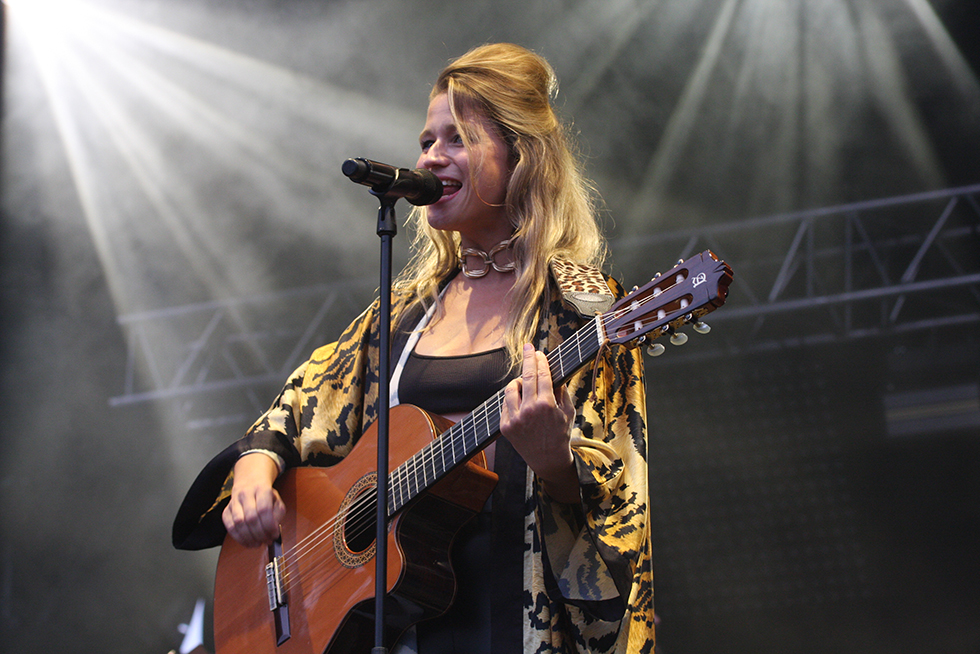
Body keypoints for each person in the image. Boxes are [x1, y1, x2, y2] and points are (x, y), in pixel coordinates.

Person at [173, 42, 655, 654]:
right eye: (427, 140)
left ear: (521, 156)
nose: (430, 156)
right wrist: (254, 470)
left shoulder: (582, 309)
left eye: (458, 138)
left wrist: (554, 463)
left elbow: (620, 507)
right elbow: (297, 409)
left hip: (512, 626)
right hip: (392, 632)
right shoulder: (402, 315)